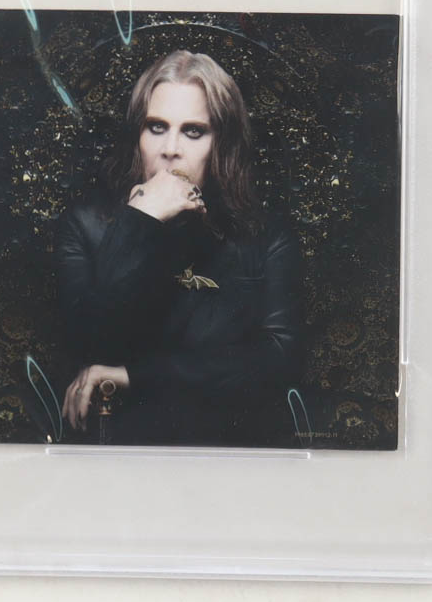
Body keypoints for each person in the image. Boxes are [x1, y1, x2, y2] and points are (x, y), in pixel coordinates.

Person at [56, 49, 304, 447]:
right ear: (137, 136)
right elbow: (88, 346)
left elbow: (278, 360)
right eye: (156, 127)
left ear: (221, 143)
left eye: (193, 131)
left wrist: (135, 376)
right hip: (118, 451)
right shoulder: (85, 226)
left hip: (231, 451)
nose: (170, 148)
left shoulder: (266, 236)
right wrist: (140, 221)